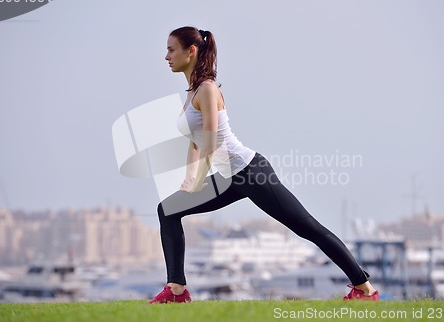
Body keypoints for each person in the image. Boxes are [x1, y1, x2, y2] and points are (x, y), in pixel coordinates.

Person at [148, 26, 379, 304]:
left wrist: (197, 181)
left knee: (308, 228)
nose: (166, 56)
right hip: (229, 176)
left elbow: (209, 142)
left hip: (251, 172)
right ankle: (176, 290)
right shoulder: (193, 92)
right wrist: (190, 178)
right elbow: (196, 142)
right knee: (168, 210)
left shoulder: (207, 90)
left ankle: (364, 289)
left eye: (172, 49)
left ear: (191, 51)